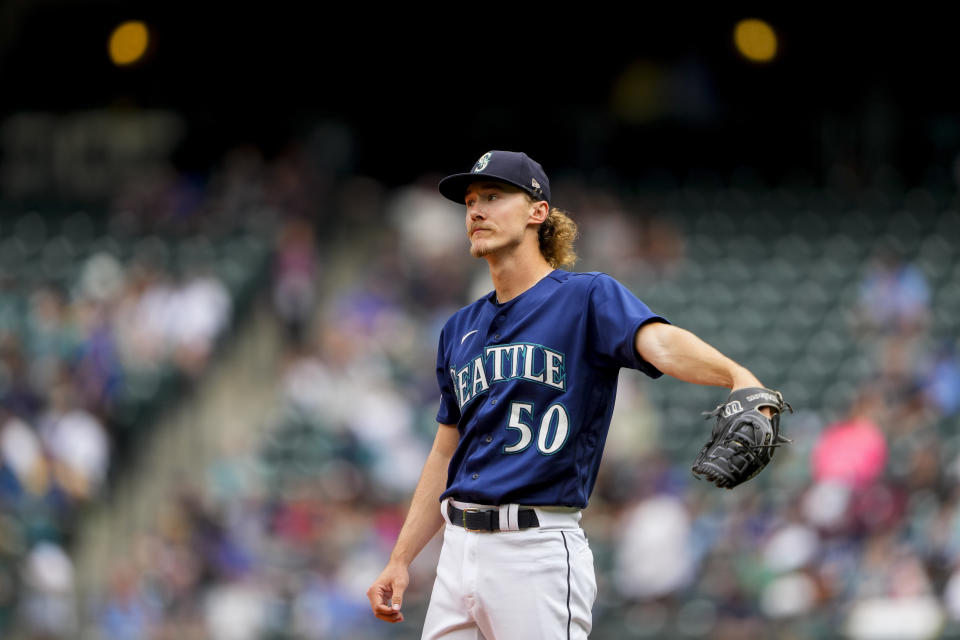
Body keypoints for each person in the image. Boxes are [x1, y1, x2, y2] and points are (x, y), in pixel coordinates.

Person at [366, 150, 773, 639]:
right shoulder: (459, 328)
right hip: (457, 548)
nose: (475, 211)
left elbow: (660, 343)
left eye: (493, 197)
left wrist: (737, 375)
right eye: (470, 201)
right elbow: (444, 452)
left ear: (538, 211)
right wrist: (402, 559)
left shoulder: (586, 297)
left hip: (535, 550)